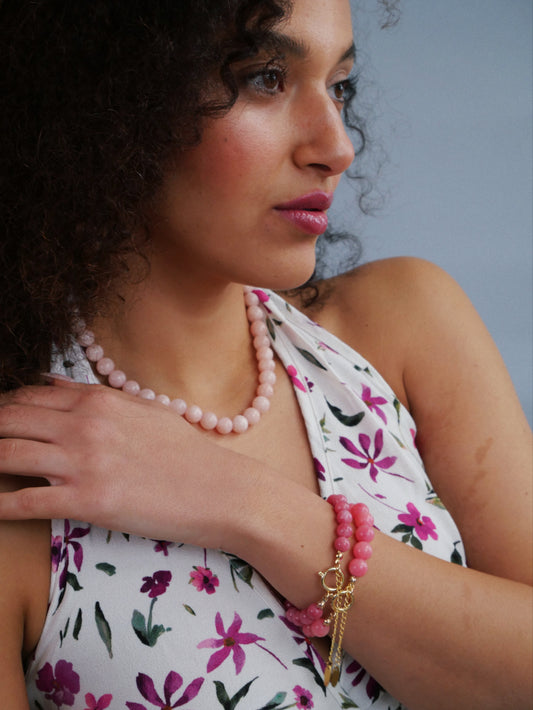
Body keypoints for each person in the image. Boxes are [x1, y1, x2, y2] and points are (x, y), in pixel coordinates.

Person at [0, 1, 531, 708]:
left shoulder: (400, 325)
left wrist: (238, 501)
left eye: (338, 85)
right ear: (107, 96)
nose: (334, 146)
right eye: (264, 77)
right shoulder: (28, 480)